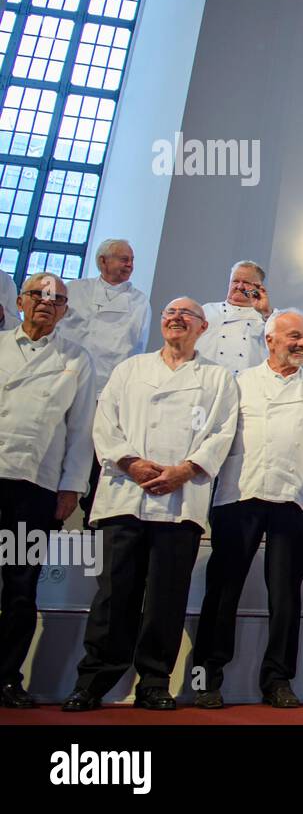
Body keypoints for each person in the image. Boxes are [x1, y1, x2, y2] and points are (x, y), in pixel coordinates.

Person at [63, 298, 238, 711]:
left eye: (186, 316)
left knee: (167, 597)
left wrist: (184, 470)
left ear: (203, 327)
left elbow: (222, 433)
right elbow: (105, 424)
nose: (176, 319)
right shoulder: (130, 370)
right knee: (113, 596)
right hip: (125, 494)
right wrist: (132, 463)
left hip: (180, 500)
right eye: (169, 314)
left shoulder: (217, 378)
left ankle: (155, 681)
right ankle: (93, 681)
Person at [192, 310, 303, 709]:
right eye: (293, 336)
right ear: (269, 340)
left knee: (286, 595)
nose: (301, 343)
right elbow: (217, 437)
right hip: (240, 494)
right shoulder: (240, 383)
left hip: (293, 498)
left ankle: (278, 680)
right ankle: (207, 678)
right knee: (223, 590)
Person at [0, 273, 95, 708]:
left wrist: (71, 487)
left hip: (35, 488)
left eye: (56, 299)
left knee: (20, 586)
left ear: (66, 311)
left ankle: (5, 678)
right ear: (20, 301)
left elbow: (80, 431)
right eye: (38, 294)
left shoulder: (76, 359)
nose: (46, 303)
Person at [59, 240, 152, 524]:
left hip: (107, 391)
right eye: (123, 259)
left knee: (98, 462)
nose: (129, 265)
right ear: (102, 261)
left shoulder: (138, 300)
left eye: (132, 260)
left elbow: (138, 345)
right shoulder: (75, 290)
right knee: (61, 453)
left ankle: (93, 521)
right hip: (69, 386)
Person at [196, 261, 274, 376]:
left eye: (246, 282)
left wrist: (266, 312)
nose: (240, 286)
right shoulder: (206, 311)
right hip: (206, 382)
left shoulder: (267, 318)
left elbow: (281, 347)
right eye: (235, 281)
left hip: (244, 387)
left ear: (258, 287)